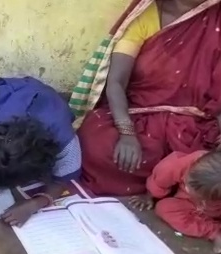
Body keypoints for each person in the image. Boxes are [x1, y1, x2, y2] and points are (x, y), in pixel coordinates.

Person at [74, 0, 221, 196]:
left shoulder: (216, 19)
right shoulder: (145, 16)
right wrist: (127, 134)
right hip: (138, 113)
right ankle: (173, 188)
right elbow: (116, 82)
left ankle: (170, 187)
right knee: (95, 143)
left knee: (208, 162)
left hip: (195, 121)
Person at [0, 77, 81, 227]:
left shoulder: (66, 144)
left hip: (52, 104)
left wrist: (33, 205)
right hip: (10, 94)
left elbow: (63, 181)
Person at [130, 150, 221, 254]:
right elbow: (161, 179)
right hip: (188, 203)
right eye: (188, 185)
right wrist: (150, 195)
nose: (187, 187)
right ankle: (213, 231)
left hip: (216, 211)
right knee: (164, 208)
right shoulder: (181, 163)